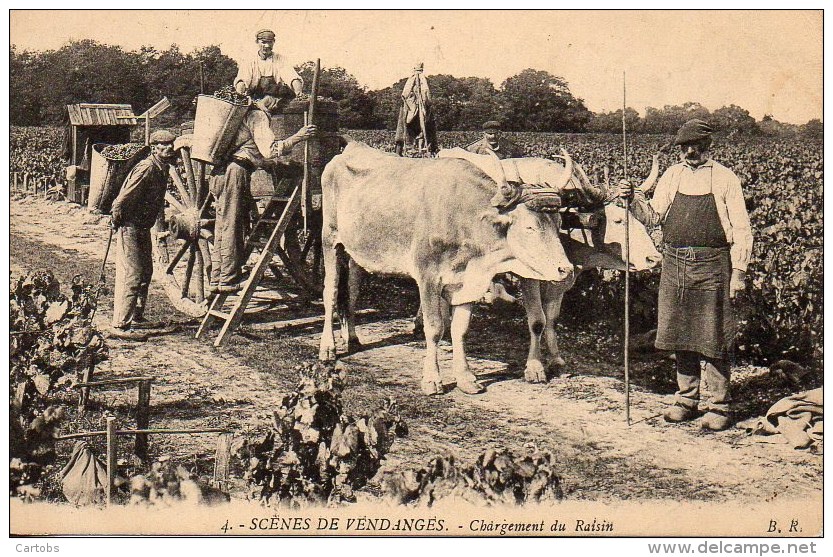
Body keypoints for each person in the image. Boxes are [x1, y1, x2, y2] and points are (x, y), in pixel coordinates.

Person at [618, 119, 753, 431]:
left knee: (714, 334)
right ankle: (686, 400)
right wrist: (631, 197)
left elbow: (743, 229)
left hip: (712, 263)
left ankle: (719, 405)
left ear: (708, 146)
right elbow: (652, 216)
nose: (690, 151)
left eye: (696, 145)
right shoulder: (673, 175)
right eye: (684, 146)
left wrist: (740, 272)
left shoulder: (724, 178)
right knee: (680, 332)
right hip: (675, 261)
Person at [209, 95, 316, 293]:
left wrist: (269, 164)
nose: (280, 106)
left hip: (223, 171)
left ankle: (217, 279)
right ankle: (228, 280)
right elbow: (270, 150)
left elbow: (253, 151)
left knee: (223, 225)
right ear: (270, 98)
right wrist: (300, 136)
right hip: (236, 171)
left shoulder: (243, 114)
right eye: (280, 101)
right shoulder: (258, 116)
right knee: (232, 224)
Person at [109, 130, 178, 339]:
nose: (168, 148)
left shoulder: (162, 168)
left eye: (170, 144)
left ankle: (137, 316)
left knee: (146, 271)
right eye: (163, 145)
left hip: (143, 227)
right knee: (134, 273)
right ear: (154, 147)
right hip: (129, 225)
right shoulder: (147, 168)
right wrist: (115, 219)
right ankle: (120, 324)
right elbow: (122, 198)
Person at [234, 29, 304, 106]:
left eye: (270, 42)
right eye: (263, 42)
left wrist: (298, 91)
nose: (267, 46)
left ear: (274, 42)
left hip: (275, 99)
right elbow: (242, 80)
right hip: (253, 99)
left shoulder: (281, 59)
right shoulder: (249, 61)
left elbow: (292, 77)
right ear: (257, 42)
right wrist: (239, 96)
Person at [395, 62, 438, 156]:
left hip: (418, 107)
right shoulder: (414, 81)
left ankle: (426, 146)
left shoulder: (420, 81)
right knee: (407, 124)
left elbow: (424, 95)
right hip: (412, 107)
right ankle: (410, 147)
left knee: (426, 123)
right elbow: (407, 95)